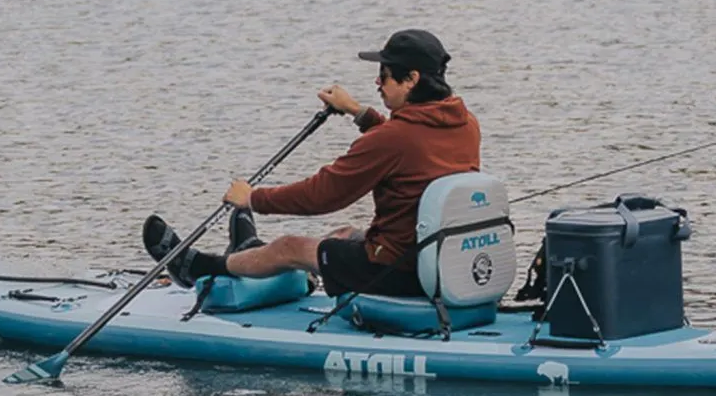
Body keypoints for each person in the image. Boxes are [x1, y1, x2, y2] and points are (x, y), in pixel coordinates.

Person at [142, 30, 480, 299]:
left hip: (397, 271)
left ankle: (199, 268)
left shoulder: (393, 139)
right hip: (437, 260)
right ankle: (255, 257)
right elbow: (411, 146)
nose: (378, 82)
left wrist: (254, 199)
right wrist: (358, 111)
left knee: (291, 246)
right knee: (343, 235)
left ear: (411, 79)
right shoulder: (464, 123)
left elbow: (323, 195)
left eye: (385, 74)